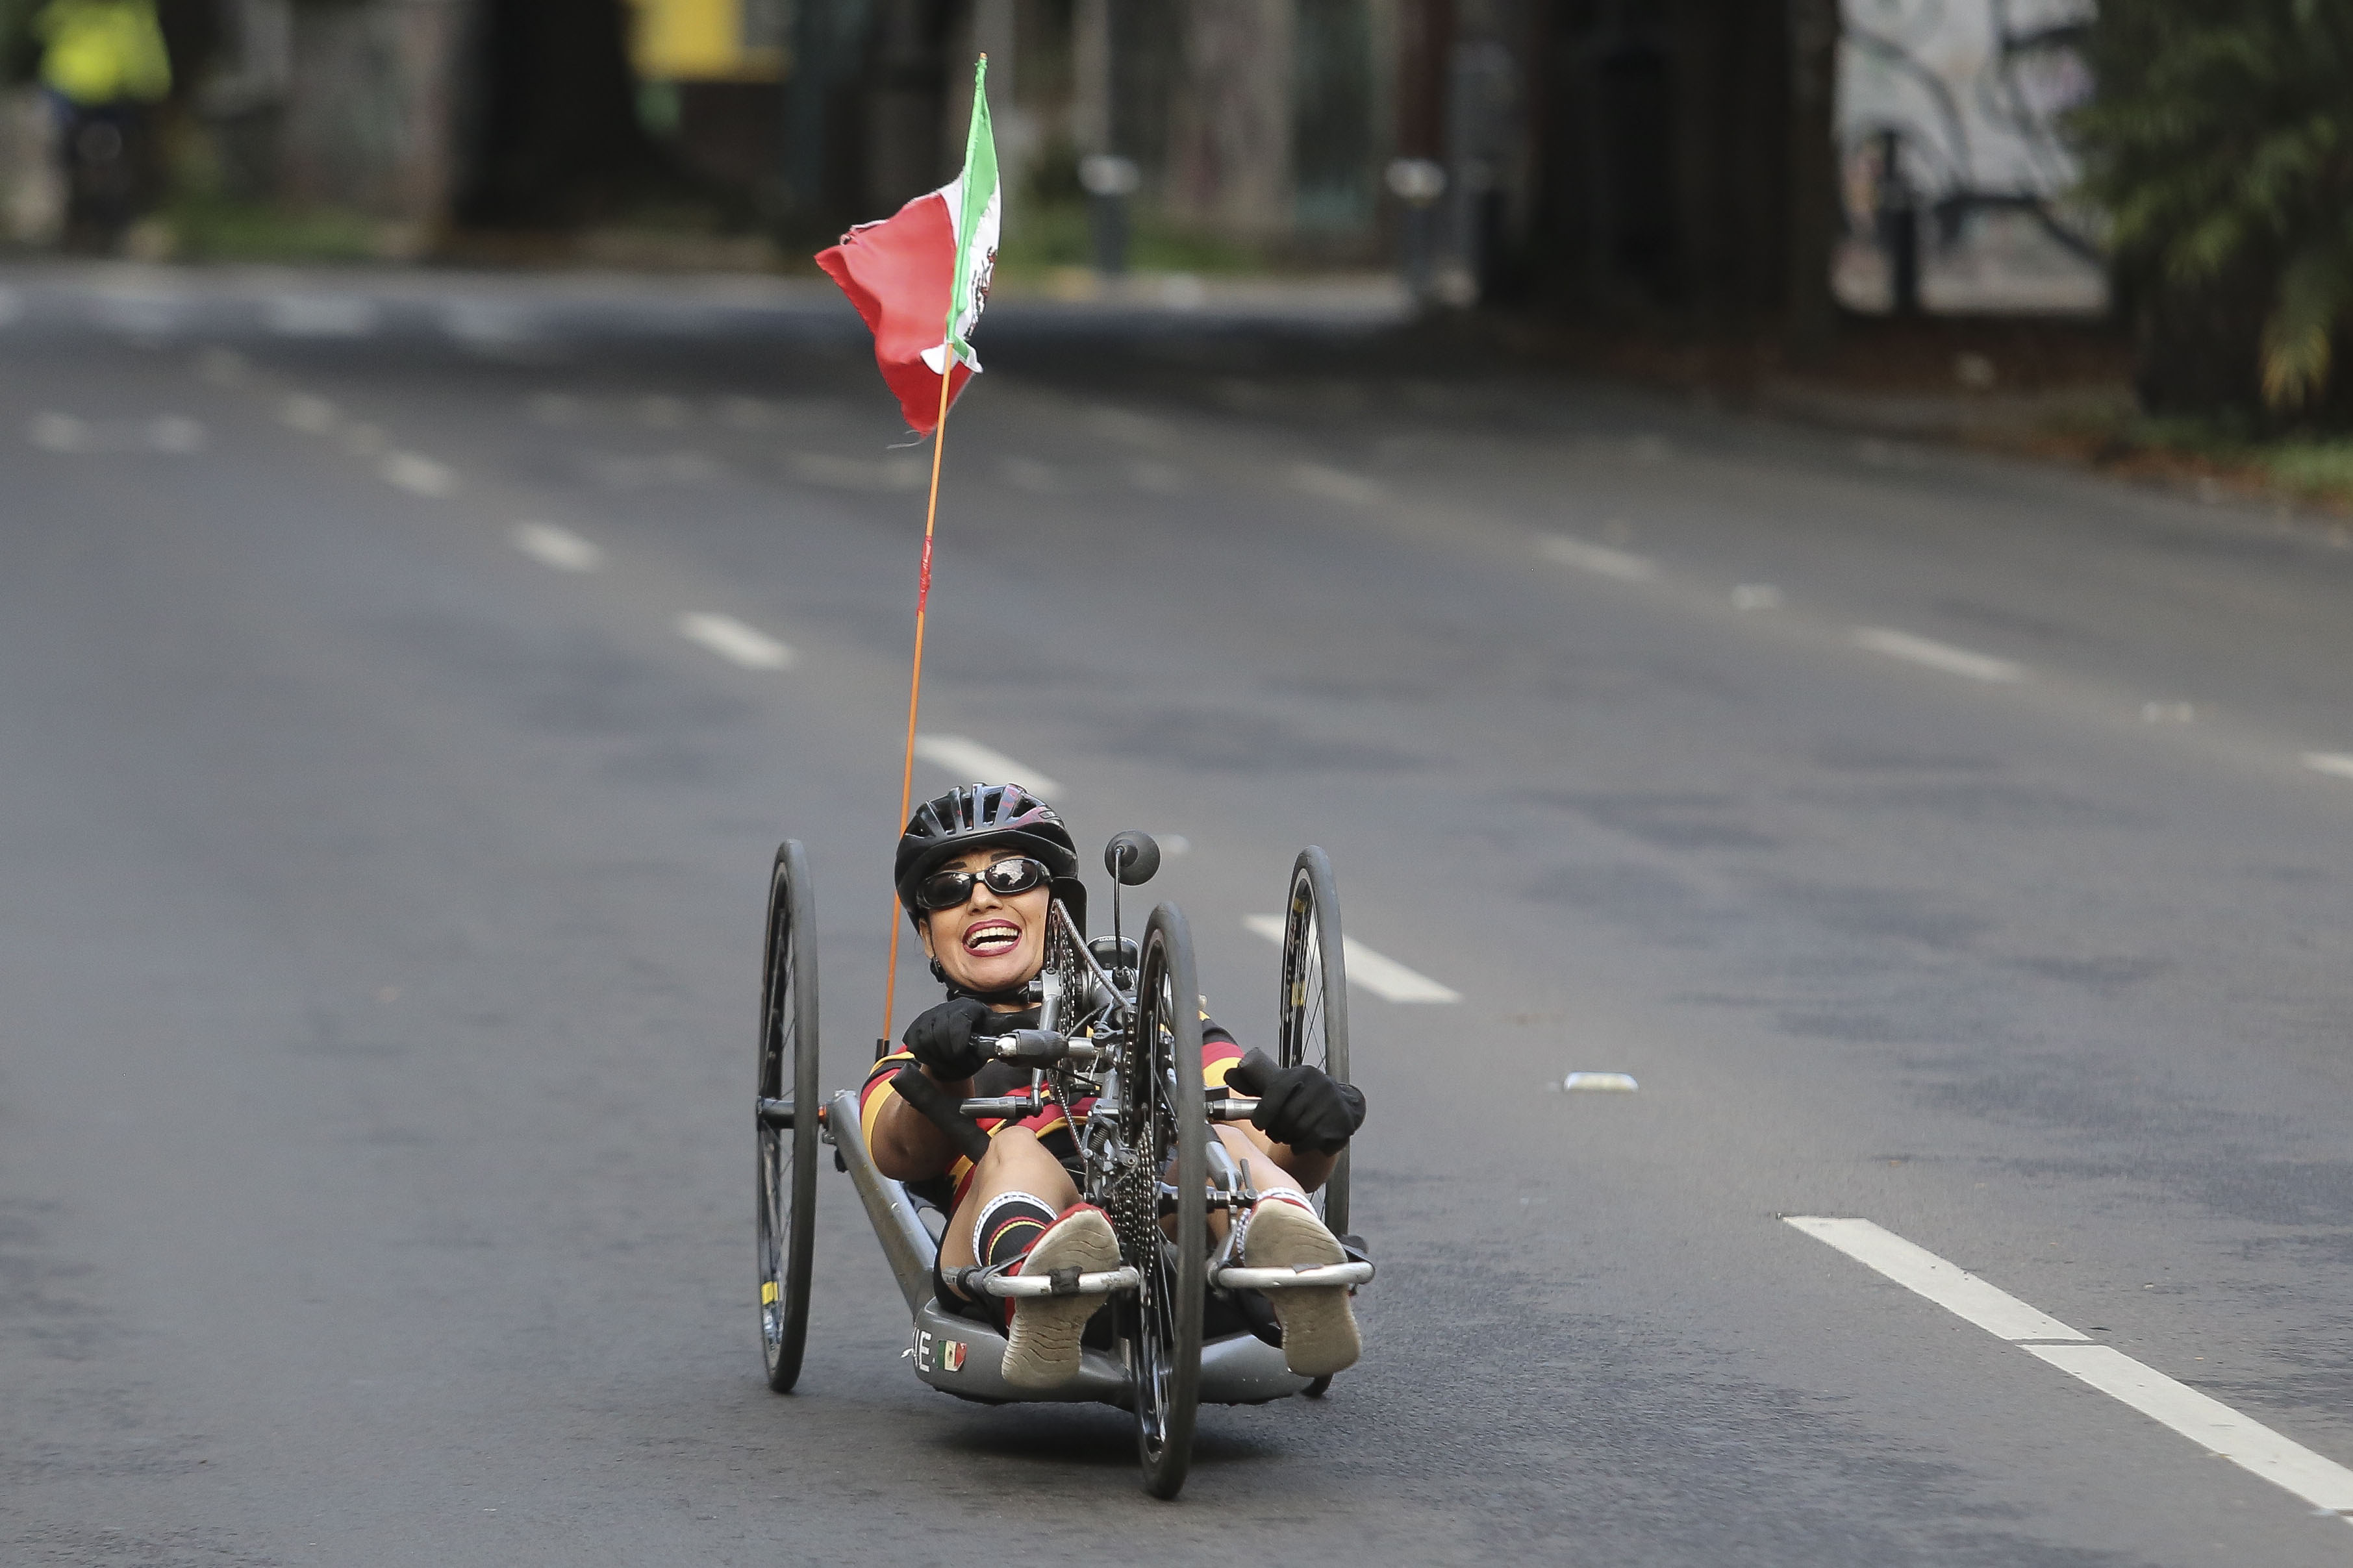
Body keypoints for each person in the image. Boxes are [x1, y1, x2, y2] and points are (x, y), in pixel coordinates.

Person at [861, 783, 1367, 1389]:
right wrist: (942, 1067)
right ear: (927, 936)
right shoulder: (917, 1055)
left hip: (1167, 1240)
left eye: (1012, 875)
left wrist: (1311, 1125)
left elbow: (1251, 1120)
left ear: (1059, 906)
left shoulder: (1157, 1019)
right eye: (949, 888)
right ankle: (1044, 1286)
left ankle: (1288, 1259)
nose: (981, 898)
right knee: (1017, 1148)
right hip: (996, 1253)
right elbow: (895, 1151)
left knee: (1218, 1136)